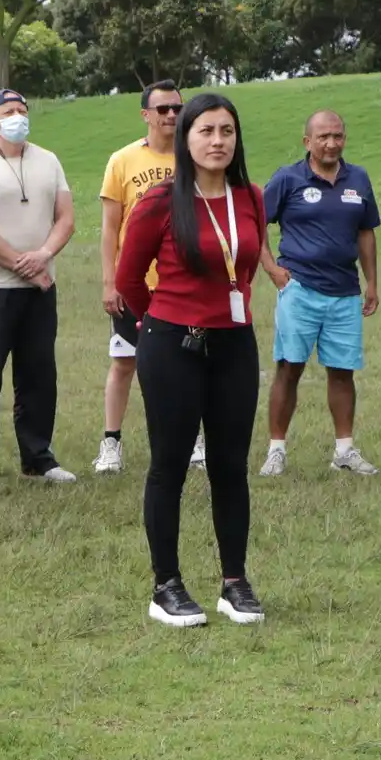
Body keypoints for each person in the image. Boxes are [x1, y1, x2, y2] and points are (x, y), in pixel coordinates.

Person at [116, 94, 267, 628]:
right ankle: (166, 586)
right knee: (170, 466)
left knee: (230, 466)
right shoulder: (159, 202)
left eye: (227, 130)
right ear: (185, 137)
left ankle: (234, 582)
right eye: (206, 130)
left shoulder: (251, 196)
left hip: (234, 344)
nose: (218, 140)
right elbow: (128, 281)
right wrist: (157, 325)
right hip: (171, 344)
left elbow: (244, 268)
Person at [0, 90, 76, 489]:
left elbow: (66, 218)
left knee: (39, 376)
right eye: (8, 112)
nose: (18, 117)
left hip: (41, 288)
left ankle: (38, 458)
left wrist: (44, 255)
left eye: (22, 111)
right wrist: (25, 266)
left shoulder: (49, 160)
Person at [259, 110, 381, 476]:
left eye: (338, 136)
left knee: (343, 372)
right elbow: (255, 223)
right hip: (300, 289)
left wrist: (371, 281)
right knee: (289, 367)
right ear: (307, 141)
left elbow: (365, 232)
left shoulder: (358, 178)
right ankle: (276, 450)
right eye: (323, 137)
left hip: (345, 292)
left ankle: (345, 450)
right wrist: (271, 268)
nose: (331, 143)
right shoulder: (287, 178)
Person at [93, 80, 183, 474]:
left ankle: (191, 438)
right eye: (162, 109)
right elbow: (111, 228)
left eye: (177, 108)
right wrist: (109, 282)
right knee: (125, 362)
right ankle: (111, 442)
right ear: (145, 114)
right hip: (135, 283)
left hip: (180, 284)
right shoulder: (123, 160)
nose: (171, 116)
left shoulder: (194, 156)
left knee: (185, 364)